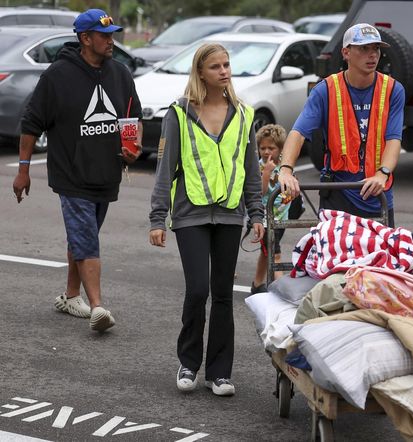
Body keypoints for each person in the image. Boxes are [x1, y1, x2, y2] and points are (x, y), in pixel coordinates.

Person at [12, 9, 143, 332]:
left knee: (84, 235)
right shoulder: (57, 75)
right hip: (70, 173)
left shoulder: (121, 74)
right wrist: (24, 169)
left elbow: (132, 119)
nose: (111, 41)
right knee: (86, 238)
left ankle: (71, 295)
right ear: (85, 39)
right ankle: (97, 305)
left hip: (106, 173)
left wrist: (133, 148)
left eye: (113, 34)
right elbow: (31, 124)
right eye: (104, 36)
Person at [148, 43, 264, 397]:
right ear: (201, 72)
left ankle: (220, 374)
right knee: (198, 290)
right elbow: (164, 169)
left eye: (227, 65)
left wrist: (256, 212)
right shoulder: (179, 113)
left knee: (223, 295)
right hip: (190, 214)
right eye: (216, 67)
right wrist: (157, 217)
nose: (224, 71)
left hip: (230, 214)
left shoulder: (244, 114)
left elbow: (251, 171)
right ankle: (188, 362)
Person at [278, 23, 405, 228]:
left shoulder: (393, 89)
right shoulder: (325, 90)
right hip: (337, 195)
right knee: (334, 259)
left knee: (378, 258)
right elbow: (298, 133)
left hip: (377, 194)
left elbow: (393, 138)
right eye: (364, 48)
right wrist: (285, 170)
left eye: (376, 49)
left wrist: (382, 173)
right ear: (346, 53)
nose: (372, 55)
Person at [251, 124, 290, 294]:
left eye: (271, 148)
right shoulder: (258, 167)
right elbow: (260, 192)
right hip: (265, 220)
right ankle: (280, 288)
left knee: (266, 252)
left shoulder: (285, 167)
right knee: (275, 253)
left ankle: (257, 282)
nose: (266, 152)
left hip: (281, 218)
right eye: (262, 148)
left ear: (281, 149)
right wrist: (266, 174)